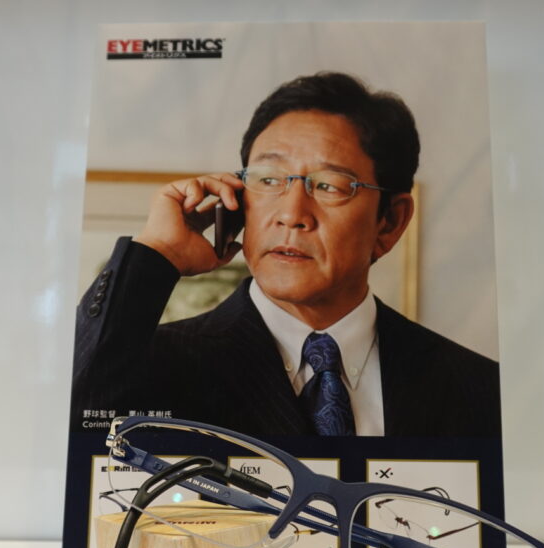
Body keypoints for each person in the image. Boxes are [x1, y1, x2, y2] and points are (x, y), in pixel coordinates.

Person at [70, 72, 500, 437]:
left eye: (329, 185)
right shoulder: (155, 366)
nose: (292, 215)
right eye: (269, 179)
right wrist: (158, 252)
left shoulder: (478, 388)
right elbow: (72, 433)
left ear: (389, 221)